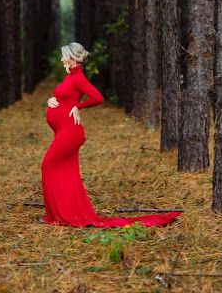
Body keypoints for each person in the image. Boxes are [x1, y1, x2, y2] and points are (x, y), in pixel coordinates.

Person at [40, 42, 181, 228]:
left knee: (47, 166)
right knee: (68, 173)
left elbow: (97, 97)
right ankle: (62, 215)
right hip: (62, 131)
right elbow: (64, 95)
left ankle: (61, 215)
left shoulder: (78, 78)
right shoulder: (71, 77)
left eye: (64, 56)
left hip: (69, 133)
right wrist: (52, 99)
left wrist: (78, 107)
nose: (61, 59)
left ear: (73, 58)